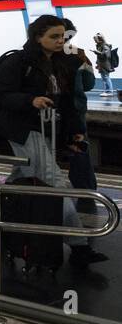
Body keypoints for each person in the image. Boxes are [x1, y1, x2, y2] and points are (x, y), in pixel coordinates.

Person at [0, 15, 105, 267]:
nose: (60, 41)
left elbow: (66, 101)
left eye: (62, 36)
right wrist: (29, 100)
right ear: (37, 37)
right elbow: (0, 95)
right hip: (23, 128)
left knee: (21, 176)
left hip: (47, 128)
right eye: (54, 36)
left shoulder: (60, 62)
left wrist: (75, 131)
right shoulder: (18, 62)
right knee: (56, 182)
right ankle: (79, 247)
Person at [66, 40, 98, 213]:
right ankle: (85, 190)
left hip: (47, 111)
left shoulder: (41, 54)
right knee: (79, 150)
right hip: (75, 109)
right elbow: (89, 84)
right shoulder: (78, 53)